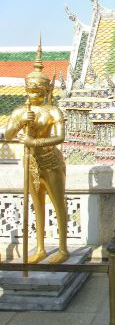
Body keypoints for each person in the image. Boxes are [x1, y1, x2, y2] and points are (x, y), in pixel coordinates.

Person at [5, 42, 69, 264]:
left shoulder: (53, 111)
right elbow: (8, 135)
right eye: (29, 90)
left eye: (37, 91)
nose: (32, 94)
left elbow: (61, 137)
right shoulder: (21, 111)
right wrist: (21, 122)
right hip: (30, 162)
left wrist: (35, 140)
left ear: (46, 90)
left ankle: (62, 248)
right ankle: (40, 248)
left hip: (51, 161)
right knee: (37, 204)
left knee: (58, 204)